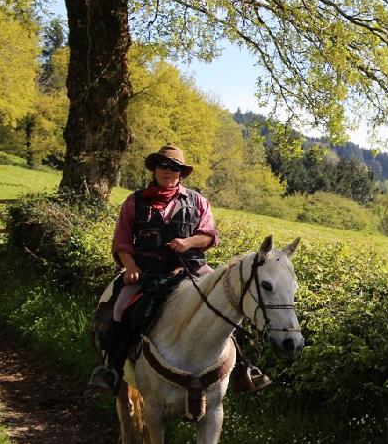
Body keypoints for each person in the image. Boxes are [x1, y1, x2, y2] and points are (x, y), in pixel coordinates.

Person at [88, 145, 270, 394]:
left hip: (192, 270)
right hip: (147, 271)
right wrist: (129, 266)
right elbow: (121, 241)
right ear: (155, 168)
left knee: (228, 300)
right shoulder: (134, 202)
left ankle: (243, 371)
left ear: (181, 173)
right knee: (120, 308)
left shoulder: (198, 201)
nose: (168, 171)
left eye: (174, 167)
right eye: (163, 165)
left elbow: (208, 236)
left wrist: (188, 243)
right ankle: (112, 370)